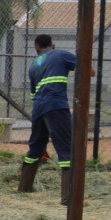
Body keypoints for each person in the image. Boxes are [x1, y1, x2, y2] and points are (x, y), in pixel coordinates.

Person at [20, 33, 76, 205]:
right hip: (56, 105)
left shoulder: (34, 64)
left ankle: (24, 188)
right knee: (67, 149)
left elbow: (33, 94)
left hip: (39, 108)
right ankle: (68, 197)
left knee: (36, 147)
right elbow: (89, 70)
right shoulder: (60, 54)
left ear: (36, 48)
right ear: (53, 45)